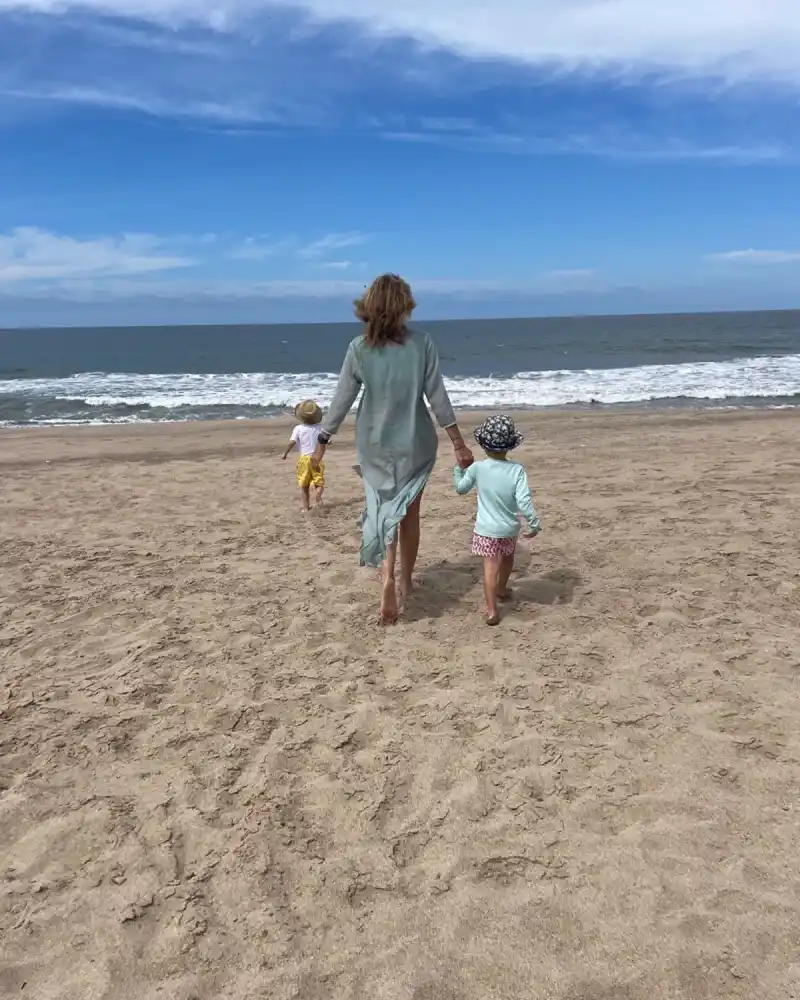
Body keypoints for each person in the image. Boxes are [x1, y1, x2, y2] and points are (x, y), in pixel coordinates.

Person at [311, 273, 473, 623]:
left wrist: (323, 440)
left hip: (373, 444)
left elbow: (341, 399)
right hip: (415, 441)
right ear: (403, 308)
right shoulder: (423, 344)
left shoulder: (358, 349)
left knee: (384, 511)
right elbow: (437, 398)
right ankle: (405, 580)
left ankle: (385, 575)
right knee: (410, 514)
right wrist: (459, 443)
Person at [453, 414, 541, 626]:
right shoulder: (517, 470)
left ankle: (492, 610)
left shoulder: (478, 468)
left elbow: (461, 488)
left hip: (486, 530)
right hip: (509, 528)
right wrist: (534, 522)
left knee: (490, 565)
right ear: (509, 445)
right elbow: (524, 500)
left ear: (484, 445)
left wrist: (458, 470)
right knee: (508, 557)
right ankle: (501, 589)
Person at [282, 399, 326, 511]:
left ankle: (306, 508)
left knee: (304, 485)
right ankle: (318, 494)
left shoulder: (298, 429)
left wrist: (285, 453)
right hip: (317, 458)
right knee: (318, 482)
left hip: (304, 460)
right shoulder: (320, 428)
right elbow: (326, 440)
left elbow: (292, 442)